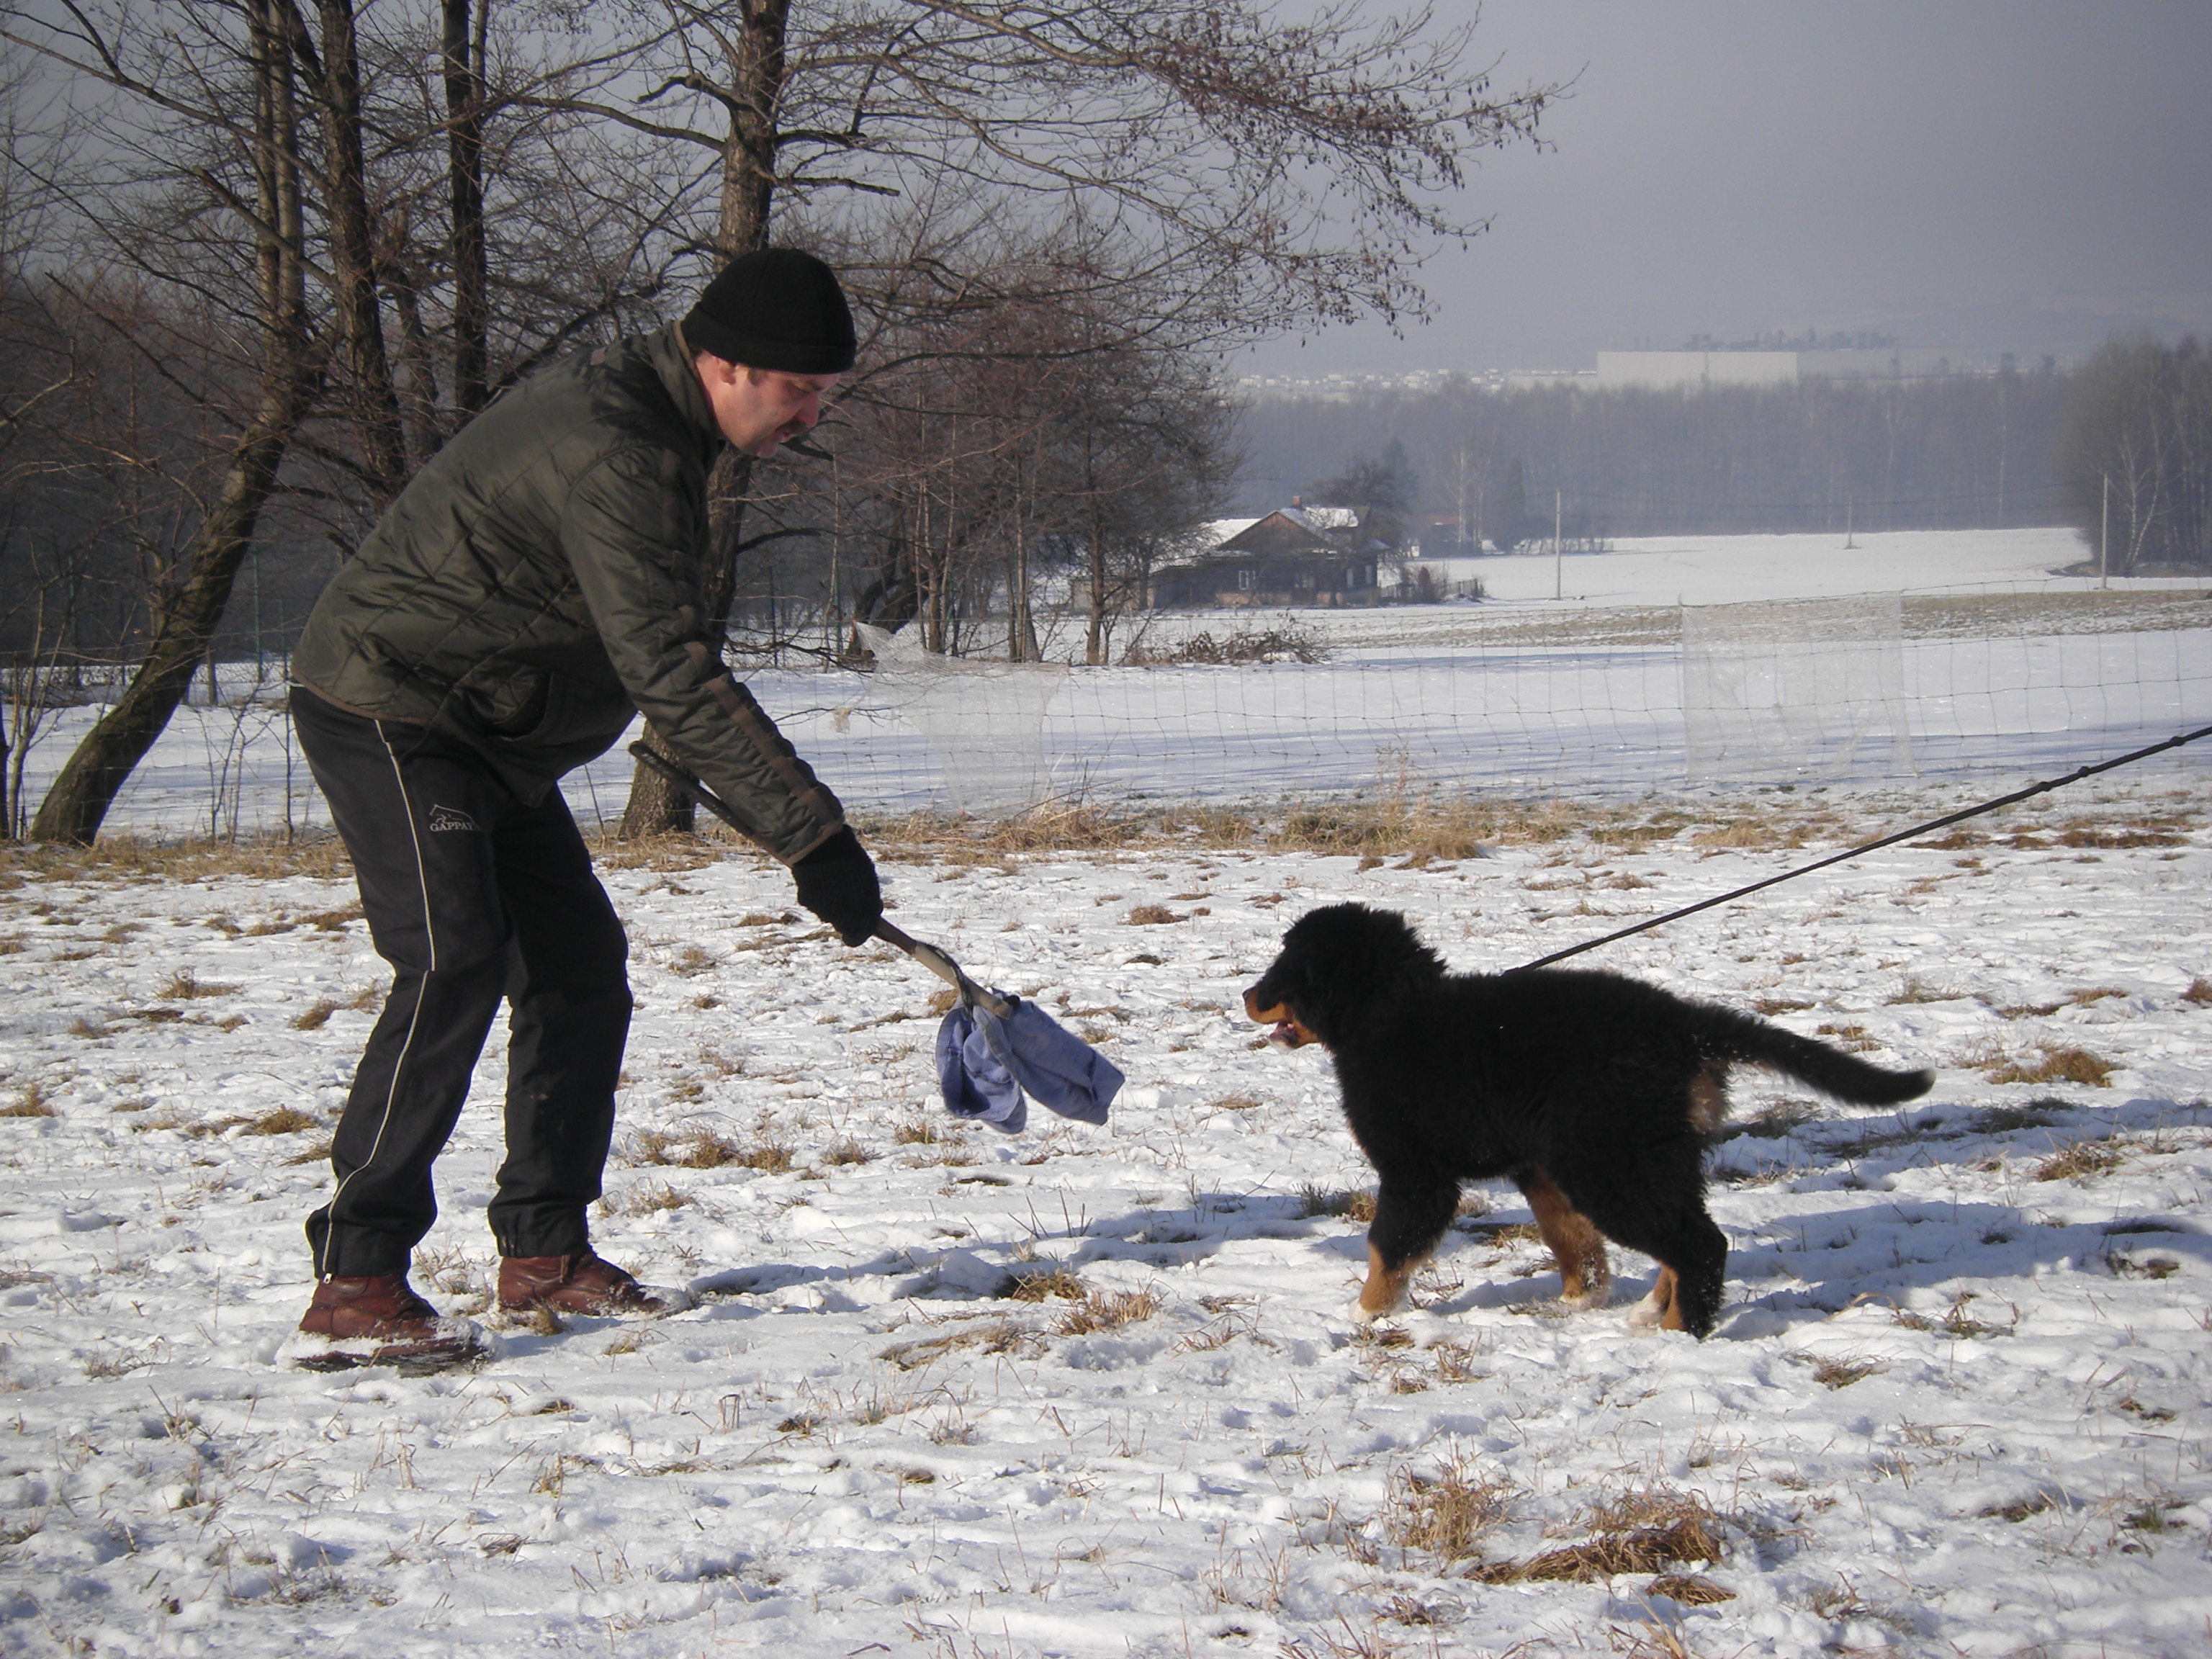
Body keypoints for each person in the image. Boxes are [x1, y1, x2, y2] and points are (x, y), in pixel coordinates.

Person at [282, 249, 883, 1368]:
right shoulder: (625, 451)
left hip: (483, 731)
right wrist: (814, 834)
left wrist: (796, 827)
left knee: (577, 965)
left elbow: (638, 651)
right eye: (800, 391)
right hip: (394, 707)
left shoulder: (657, 430)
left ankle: (544, 1253)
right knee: (454, 956)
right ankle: (356, 1277)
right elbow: (671, 671)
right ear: (725, 365)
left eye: (822, 394)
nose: (811, 416)